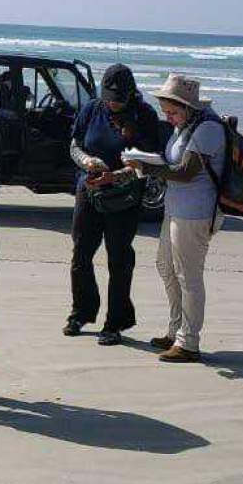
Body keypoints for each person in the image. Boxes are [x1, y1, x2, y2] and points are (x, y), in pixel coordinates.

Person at [125, 74, 226, 363]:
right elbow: (175, 164)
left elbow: (186, 171)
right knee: (166, 267)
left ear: (187, 107)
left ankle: (189, 343)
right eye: (165, 112)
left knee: (188, 277)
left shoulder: (207, 128)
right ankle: (175, 330)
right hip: (176, 208)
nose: (167, 117)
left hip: (196, 213)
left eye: (172, 112)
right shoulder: (186, 125)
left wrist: (148, 167)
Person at [65, 63, 160, 345]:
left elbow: (150, 162)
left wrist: (116, 175)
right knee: (81, 254)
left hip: (125, 196)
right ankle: (81, 312)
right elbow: (74, 144)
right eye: (109, 97)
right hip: (89, 190)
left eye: (118, 99)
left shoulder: (144, 115)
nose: (112, 103)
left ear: (130, 94)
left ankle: (115, 322)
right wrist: (87, 162)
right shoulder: (92, 109)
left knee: (118, 259)